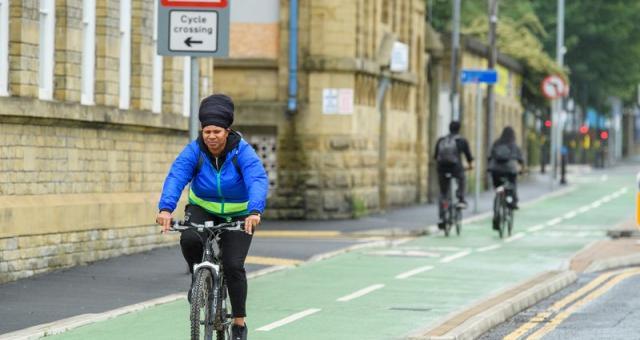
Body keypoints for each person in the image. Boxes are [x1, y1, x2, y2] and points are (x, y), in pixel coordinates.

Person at [156, 94, 268, 340]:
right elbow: (176, 176)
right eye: (207, 131)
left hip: (239, 214)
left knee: (233, 265)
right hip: (203, 208)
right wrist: (165, 208)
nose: (211, 136)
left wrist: (255, 211)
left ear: (227, 131)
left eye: (216, 131)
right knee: (189, 239)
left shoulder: (241, 152)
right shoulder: (194, 151)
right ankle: (199, 280)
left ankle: (239, 323)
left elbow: (257, 179)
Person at [434, 121, 474, 229]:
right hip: (456, 169)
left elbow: (435, 156)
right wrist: (470, 165)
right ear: (459, 129)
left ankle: (442, 217)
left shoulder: (441, 140)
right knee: (461, 179)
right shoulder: (461, 140)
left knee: (443, 193)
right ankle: (461, 199)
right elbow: (468, 156)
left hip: (442, 169)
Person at [488, 126, 525, 228]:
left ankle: (497, 208)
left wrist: (490, 167)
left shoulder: (496, 143)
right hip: (510, 170)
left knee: (498, 189)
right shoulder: (513, 145)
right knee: (512, 184)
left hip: (495, 170)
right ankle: (512, 201)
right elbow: (520, 159)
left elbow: (490, 156)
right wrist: (522, 169)